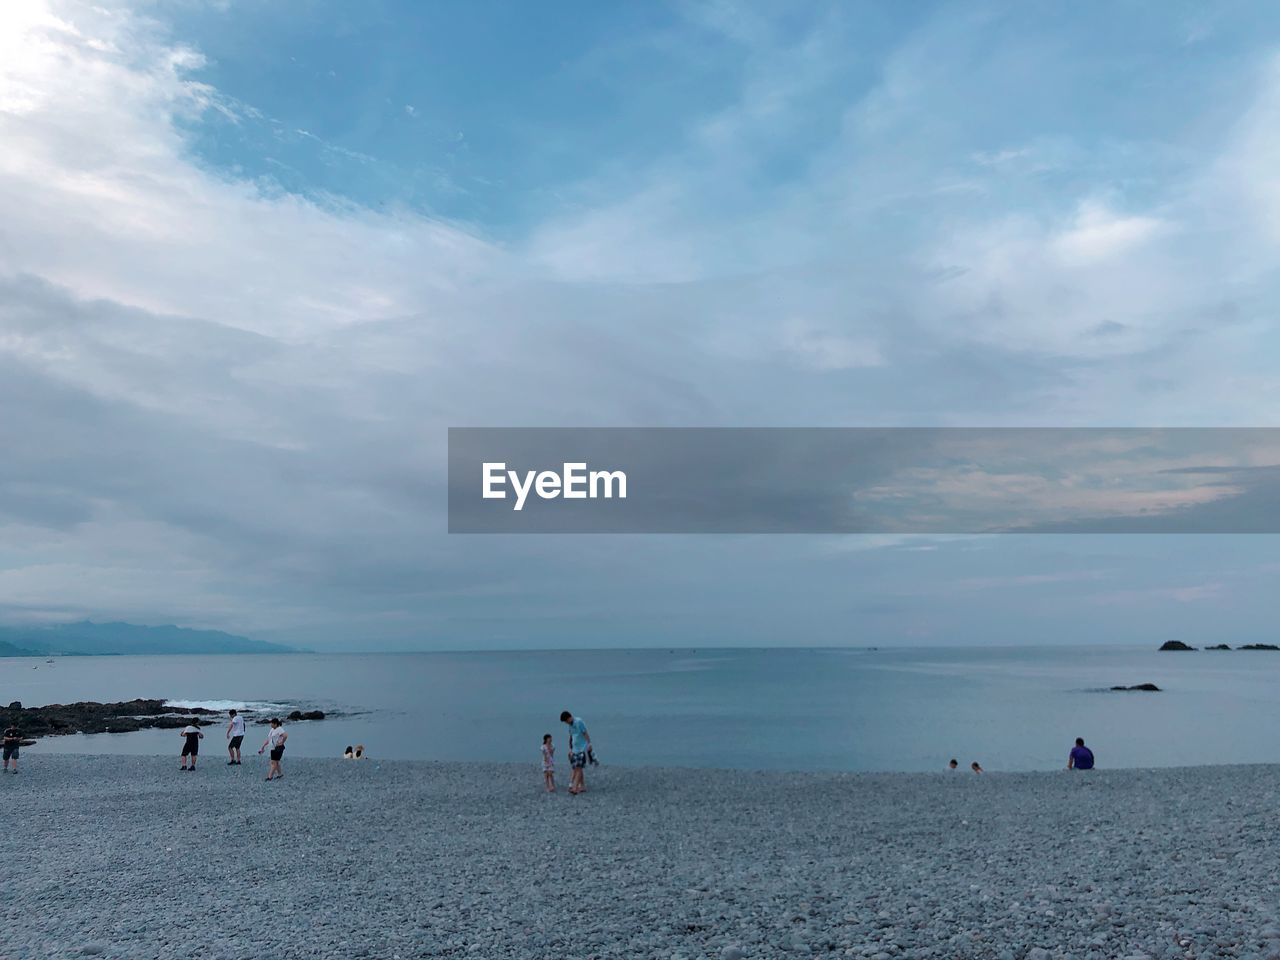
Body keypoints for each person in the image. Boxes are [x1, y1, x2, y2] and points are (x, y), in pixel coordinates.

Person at [560, 711, 592, 795]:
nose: (566, 723)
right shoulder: (570, 726)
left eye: (566, 721)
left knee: (578, 767)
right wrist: (570, 749)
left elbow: (585, 733)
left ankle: (575, 787)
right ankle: (583, 786)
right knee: (577, 767)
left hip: (582, 748)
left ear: (569, 717)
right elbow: (571, 737)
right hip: (575, 749)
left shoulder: (579, 722)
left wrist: (589, 744)